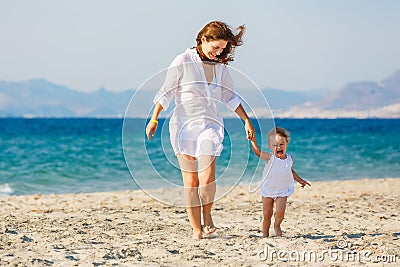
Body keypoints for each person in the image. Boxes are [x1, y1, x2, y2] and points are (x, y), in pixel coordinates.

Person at [146, 21, 255, 239]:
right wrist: (154, 118)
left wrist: (246, 120)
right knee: (191, 181)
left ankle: (208, 218)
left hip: (210, 126)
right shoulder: (182, 61)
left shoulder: (220, 67)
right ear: (203, 40)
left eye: (222, 49)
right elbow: (166, 92)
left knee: (207, 178)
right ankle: (197, 230)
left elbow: (229, 96)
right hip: (183, 127)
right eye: (216, 48)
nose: (218, 53)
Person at [250, 126, 310, 237]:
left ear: (286, 144)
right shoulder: (270, 157)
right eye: (275, 145)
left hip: (282, 190)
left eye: (281, 144)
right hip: (268, 190)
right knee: (267, 215)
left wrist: (300, 180)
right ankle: (265, 235)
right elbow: (258, 153)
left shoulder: (289, 159)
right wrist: (253, 141)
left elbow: (290, 171)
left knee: (280, 213)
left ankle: (277, 225)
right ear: (270, 147)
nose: (278, 147)